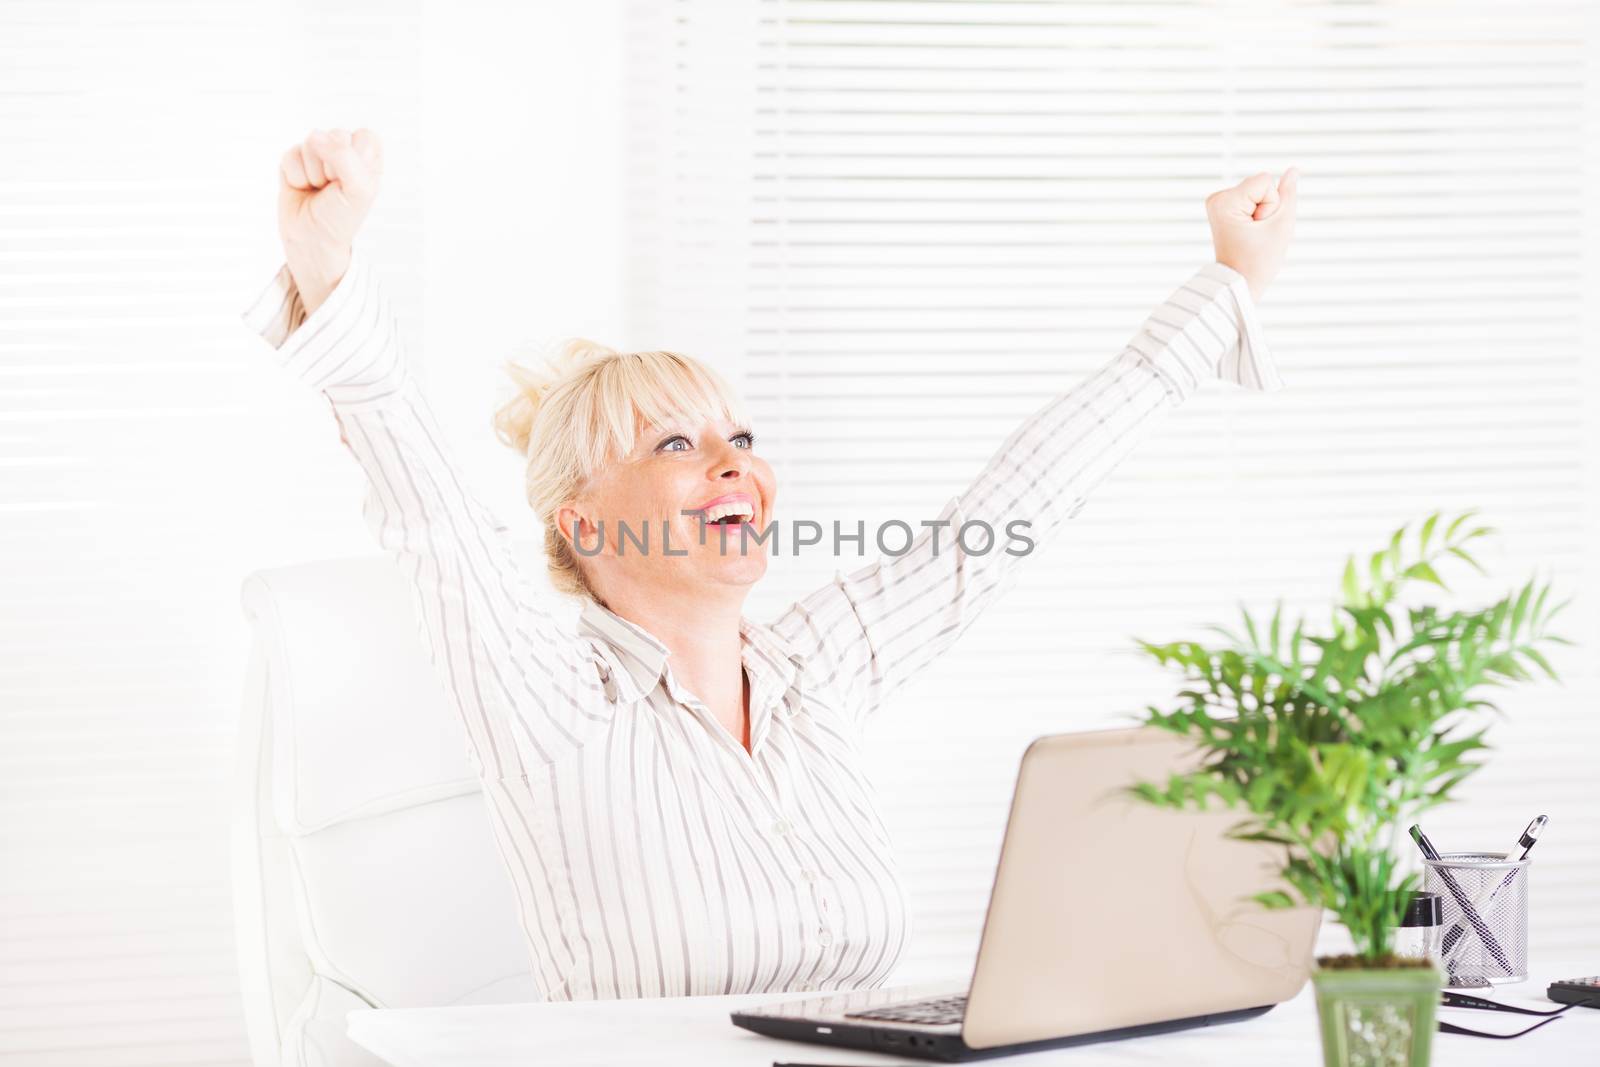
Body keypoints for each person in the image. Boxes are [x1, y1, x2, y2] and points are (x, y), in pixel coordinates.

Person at [242, 127, 1300, 1002]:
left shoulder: (815, 671)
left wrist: (1223, 287)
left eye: (739, 440)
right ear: (586, 526)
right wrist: (327, 269)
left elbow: (1011, 507)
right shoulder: (550, 695)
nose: (730, 465)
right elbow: (427, 508)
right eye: (673, 445)